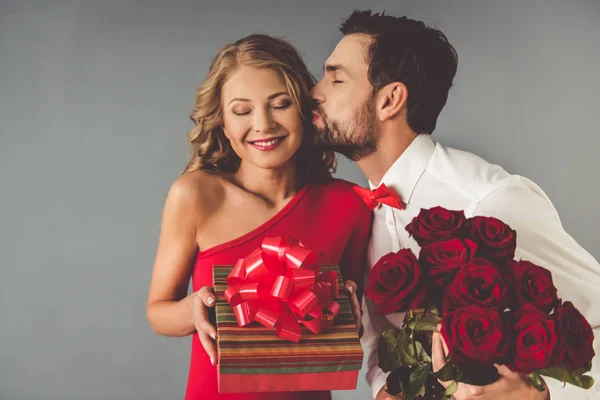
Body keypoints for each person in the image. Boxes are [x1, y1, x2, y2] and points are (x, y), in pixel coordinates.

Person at [311, 9, 600, 400]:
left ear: (390, 100)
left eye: (336, 78)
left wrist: (538, 393)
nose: (316, 91)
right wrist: (384, 388)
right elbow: (382, 348)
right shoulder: (361, 215)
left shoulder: (490, 200)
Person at [146, 34, 371, 400]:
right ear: (222, 122)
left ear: (304, 110)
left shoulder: (349, 204)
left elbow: (352, 319)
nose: (263, 125)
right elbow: (158, 312)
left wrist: (350, 321)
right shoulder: (195, 195)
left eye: (279, 104)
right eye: (241, 111)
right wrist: (192, 311)